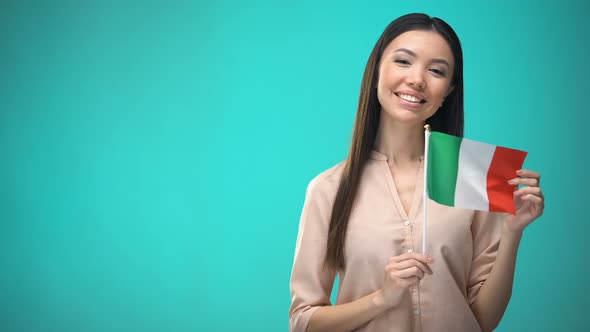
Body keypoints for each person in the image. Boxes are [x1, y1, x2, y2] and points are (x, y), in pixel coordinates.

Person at [289, 13, 544, 332]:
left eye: (436, 70)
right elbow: (302, 321)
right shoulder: (328, 189)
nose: (417, 80)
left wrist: (512, 233)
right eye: (403, 61)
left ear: (448, 90)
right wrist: (381, 298)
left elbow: (483, 321)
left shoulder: (471, 179)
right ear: (377, 69)